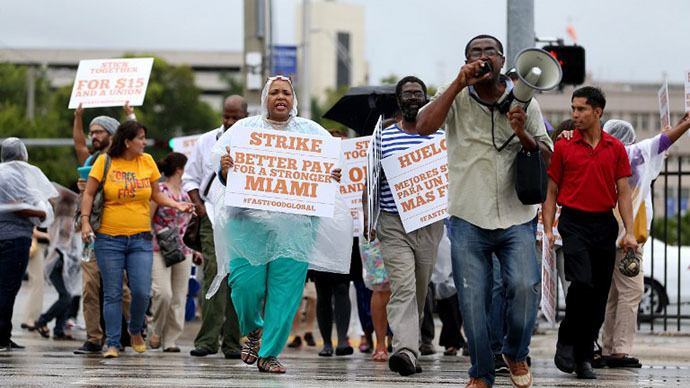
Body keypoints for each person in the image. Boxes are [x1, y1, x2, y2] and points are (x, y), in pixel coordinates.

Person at [416, 35, 553, 388]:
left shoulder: (525, 100)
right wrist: (458, 83)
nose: (482, 57)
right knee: (473, 301)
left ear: (502, 59)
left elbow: (549, 157)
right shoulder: (456, 94)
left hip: (516, 215)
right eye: (474, 53)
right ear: (466, 61)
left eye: (488, 51)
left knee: (525, 288)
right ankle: (480, 373)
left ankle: (515, 351)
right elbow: (424, 126)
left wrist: (523, 133)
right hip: (467, 216)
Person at [209, 75, 348, 373]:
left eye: (286, 92)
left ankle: (269, 354)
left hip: (295, 231)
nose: (280, 96)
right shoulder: (243, 130)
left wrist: (333, 175)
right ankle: (253, 330)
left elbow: (332, 169)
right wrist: (225, 170)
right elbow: (222, 175)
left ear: (294, 99)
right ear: (265, 98)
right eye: (274, 92)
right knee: (244, 288)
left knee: (285, 296)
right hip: (248, 227)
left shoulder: (312, 132)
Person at [543, 86, 637, 380]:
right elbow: (551, 190)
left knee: (597, 296)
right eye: (573, 109)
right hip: (573, 223)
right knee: (581, 284)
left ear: (597, 112)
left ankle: (583, 354)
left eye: (581, 109)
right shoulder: (564, 145)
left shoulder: (616, 148)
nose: (575, 115)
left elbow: (623, 192)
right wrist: (548, 228)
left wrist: (629, 232)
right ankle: (569, 339)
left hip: (603, 225)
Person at [80, 120, 194, 358]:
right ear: (127, 141)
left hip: (141, 240)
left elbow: (156, 195)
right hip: (108, 239)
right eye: (140, 138)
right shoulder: (104, 162)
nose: (144, 142)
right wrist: (85, 222)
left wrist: (177, 204)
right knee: (112, 293)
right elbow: (89, 193)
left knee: (142, 292)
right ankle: (112, 343)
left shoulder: (147, 162)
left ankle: (135, 330)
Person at [363, 76, 445, 376]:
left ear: (426, 99)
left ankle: (410, 345)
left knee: (419, 289)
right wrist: (367, 219)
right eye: (407, 94)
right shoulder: (382, 138)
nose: (413, 97)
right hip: (392, 222)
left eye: (418, 93)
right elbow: (369, 182)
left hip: (429, 223)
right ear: (398, 100)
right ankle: (405, 351)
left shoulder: (441, 137)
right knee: (403, 287)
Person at [182, 95, 247, 359]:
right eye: (226, 117)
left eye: (236, 117)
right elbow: (190, 178)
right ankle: (208, 340)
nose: (230, 122)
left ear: (246, 117)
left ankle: (232, 342)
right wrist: (198, 205)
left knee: (239, 280)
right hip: (211, 216)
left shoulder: (257, 142)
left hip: (244, 219)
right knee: (214, 275)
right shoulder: (207, 141)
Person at [72, 103, 134, 355]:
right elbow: (78, 145)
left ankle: (134, 331)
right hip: (92, 232)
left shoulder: (125, 160)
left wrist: (130, 115)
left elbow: (138, 138)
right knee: (89, 287)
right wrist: (77, 117)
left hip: (118, 231)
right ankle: (93, 338)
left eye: (98, 132)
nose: (93, 136)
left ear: (112, 133)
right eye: (91, 131)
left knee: (122, 289)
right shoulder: (91, 160)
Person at [0, 138, 56, 351]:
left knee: (4, 288)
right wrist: (40, 212)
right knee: (7, 289)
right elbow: (16, 206)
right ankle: (2, 337)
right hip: (14, 239)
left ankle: (4, 334)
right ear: (22, 154)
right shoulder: (15, 175)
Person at [149, 152, 195, 353]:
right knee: (162, 293)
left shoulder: (187, 193)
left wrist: (197, 249)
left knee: (179, 296)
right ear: (179, 169)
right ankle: (156, 329)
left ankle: (171, 340)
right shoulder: (158, 190)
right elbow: (148, 218)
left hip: (184, 248)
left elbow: (192, 223)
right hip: (159, 247)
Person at [35, 188, 83, 341]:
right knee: (66, 297)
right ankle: (43, 320)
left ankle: (58, 329)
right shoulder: (67, 222)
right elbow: (76, 231)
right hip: (58, 263)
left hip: (55, 263)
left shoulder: (55, 221)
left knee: (66, 295)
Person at [20, 227, 49, 331]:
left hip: (41, 248)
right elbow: (32, 230)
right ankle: (30, 319)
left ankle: (33, 318)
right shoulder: (38, 212)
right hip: (36, 247)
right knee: (37, 283)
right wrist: (49, 236)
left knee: (38, 284)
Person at [286, 278, 317, 348]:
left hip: (311, 271)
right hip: (295, 270)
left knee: (313, 298)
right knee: (295, 300)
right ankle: (297, 335)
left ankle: (309, 332)